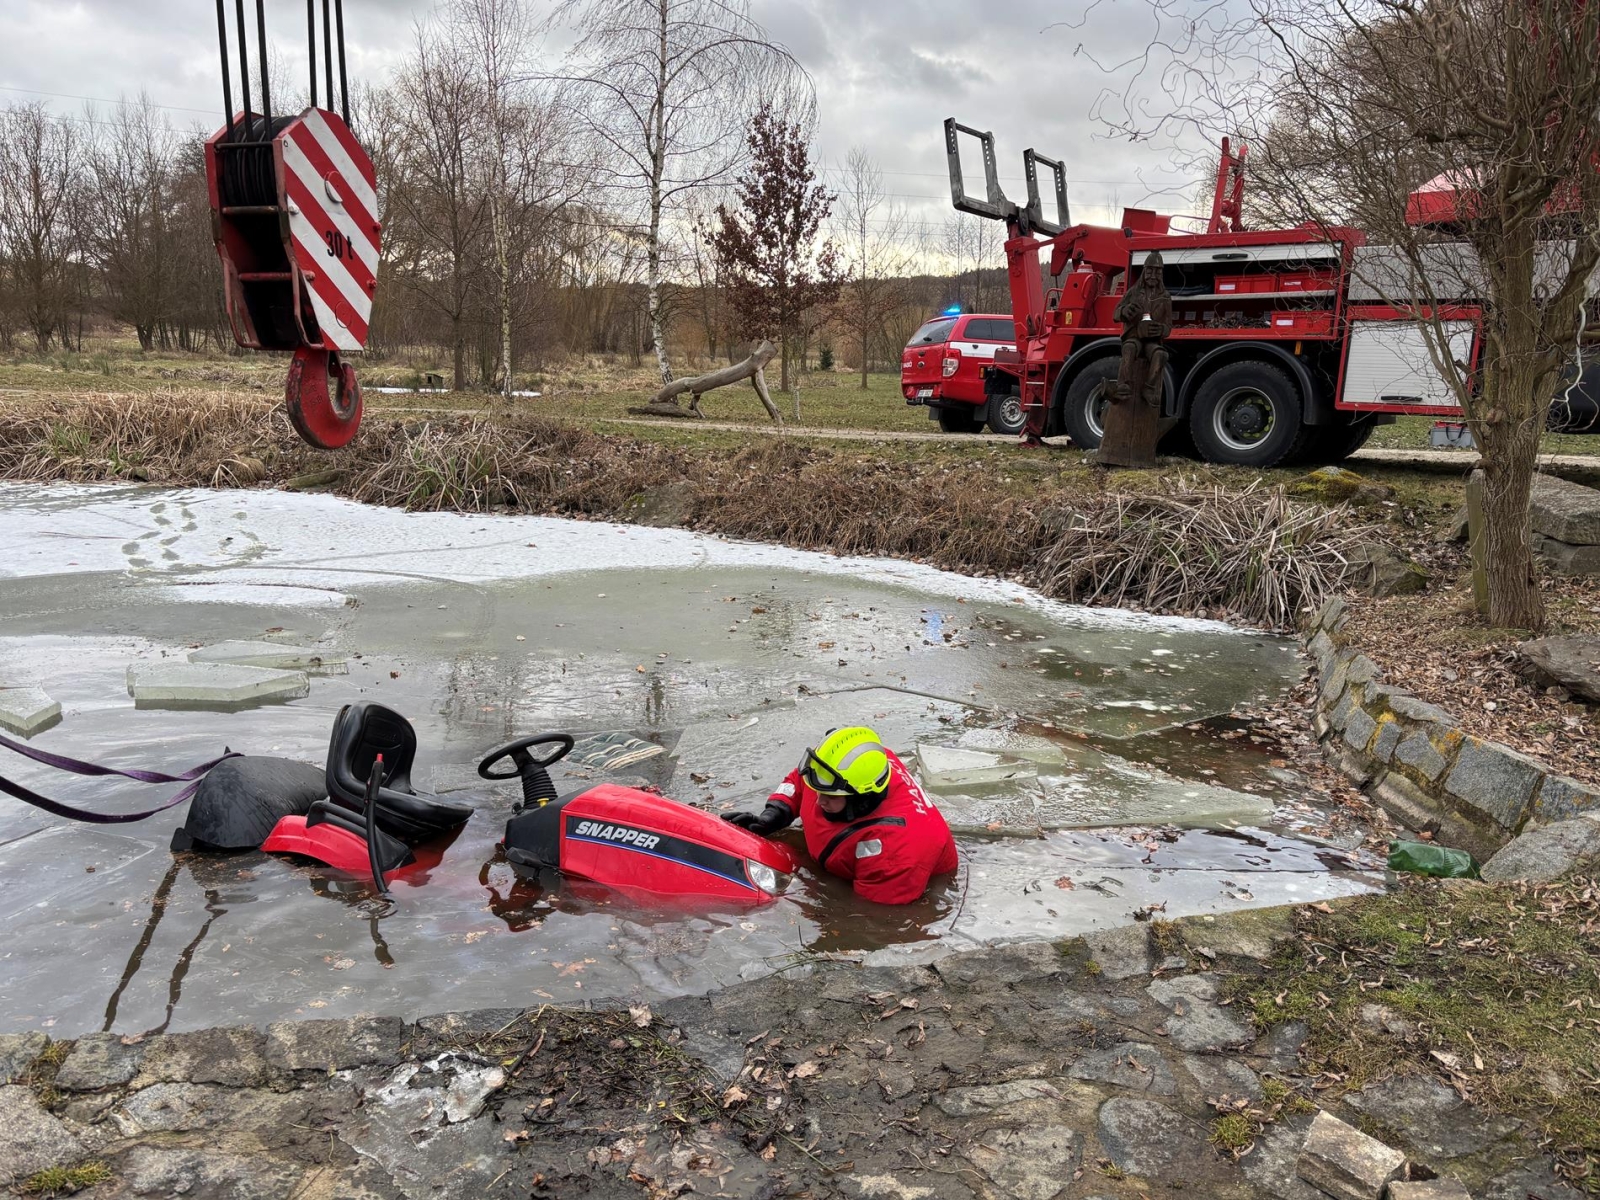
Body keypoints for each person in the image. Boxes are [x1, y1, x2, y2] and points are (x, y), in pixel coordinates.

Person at [722, 726, 958, 905]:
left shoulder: (896, 854)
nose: (818, 799)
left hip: (897, 877)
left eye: (830, 796)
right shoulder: (854, 768)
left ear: (860, 797)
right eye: (818, 790)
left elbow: (873, 918)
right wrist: (776, 812)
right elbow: (801, 779)